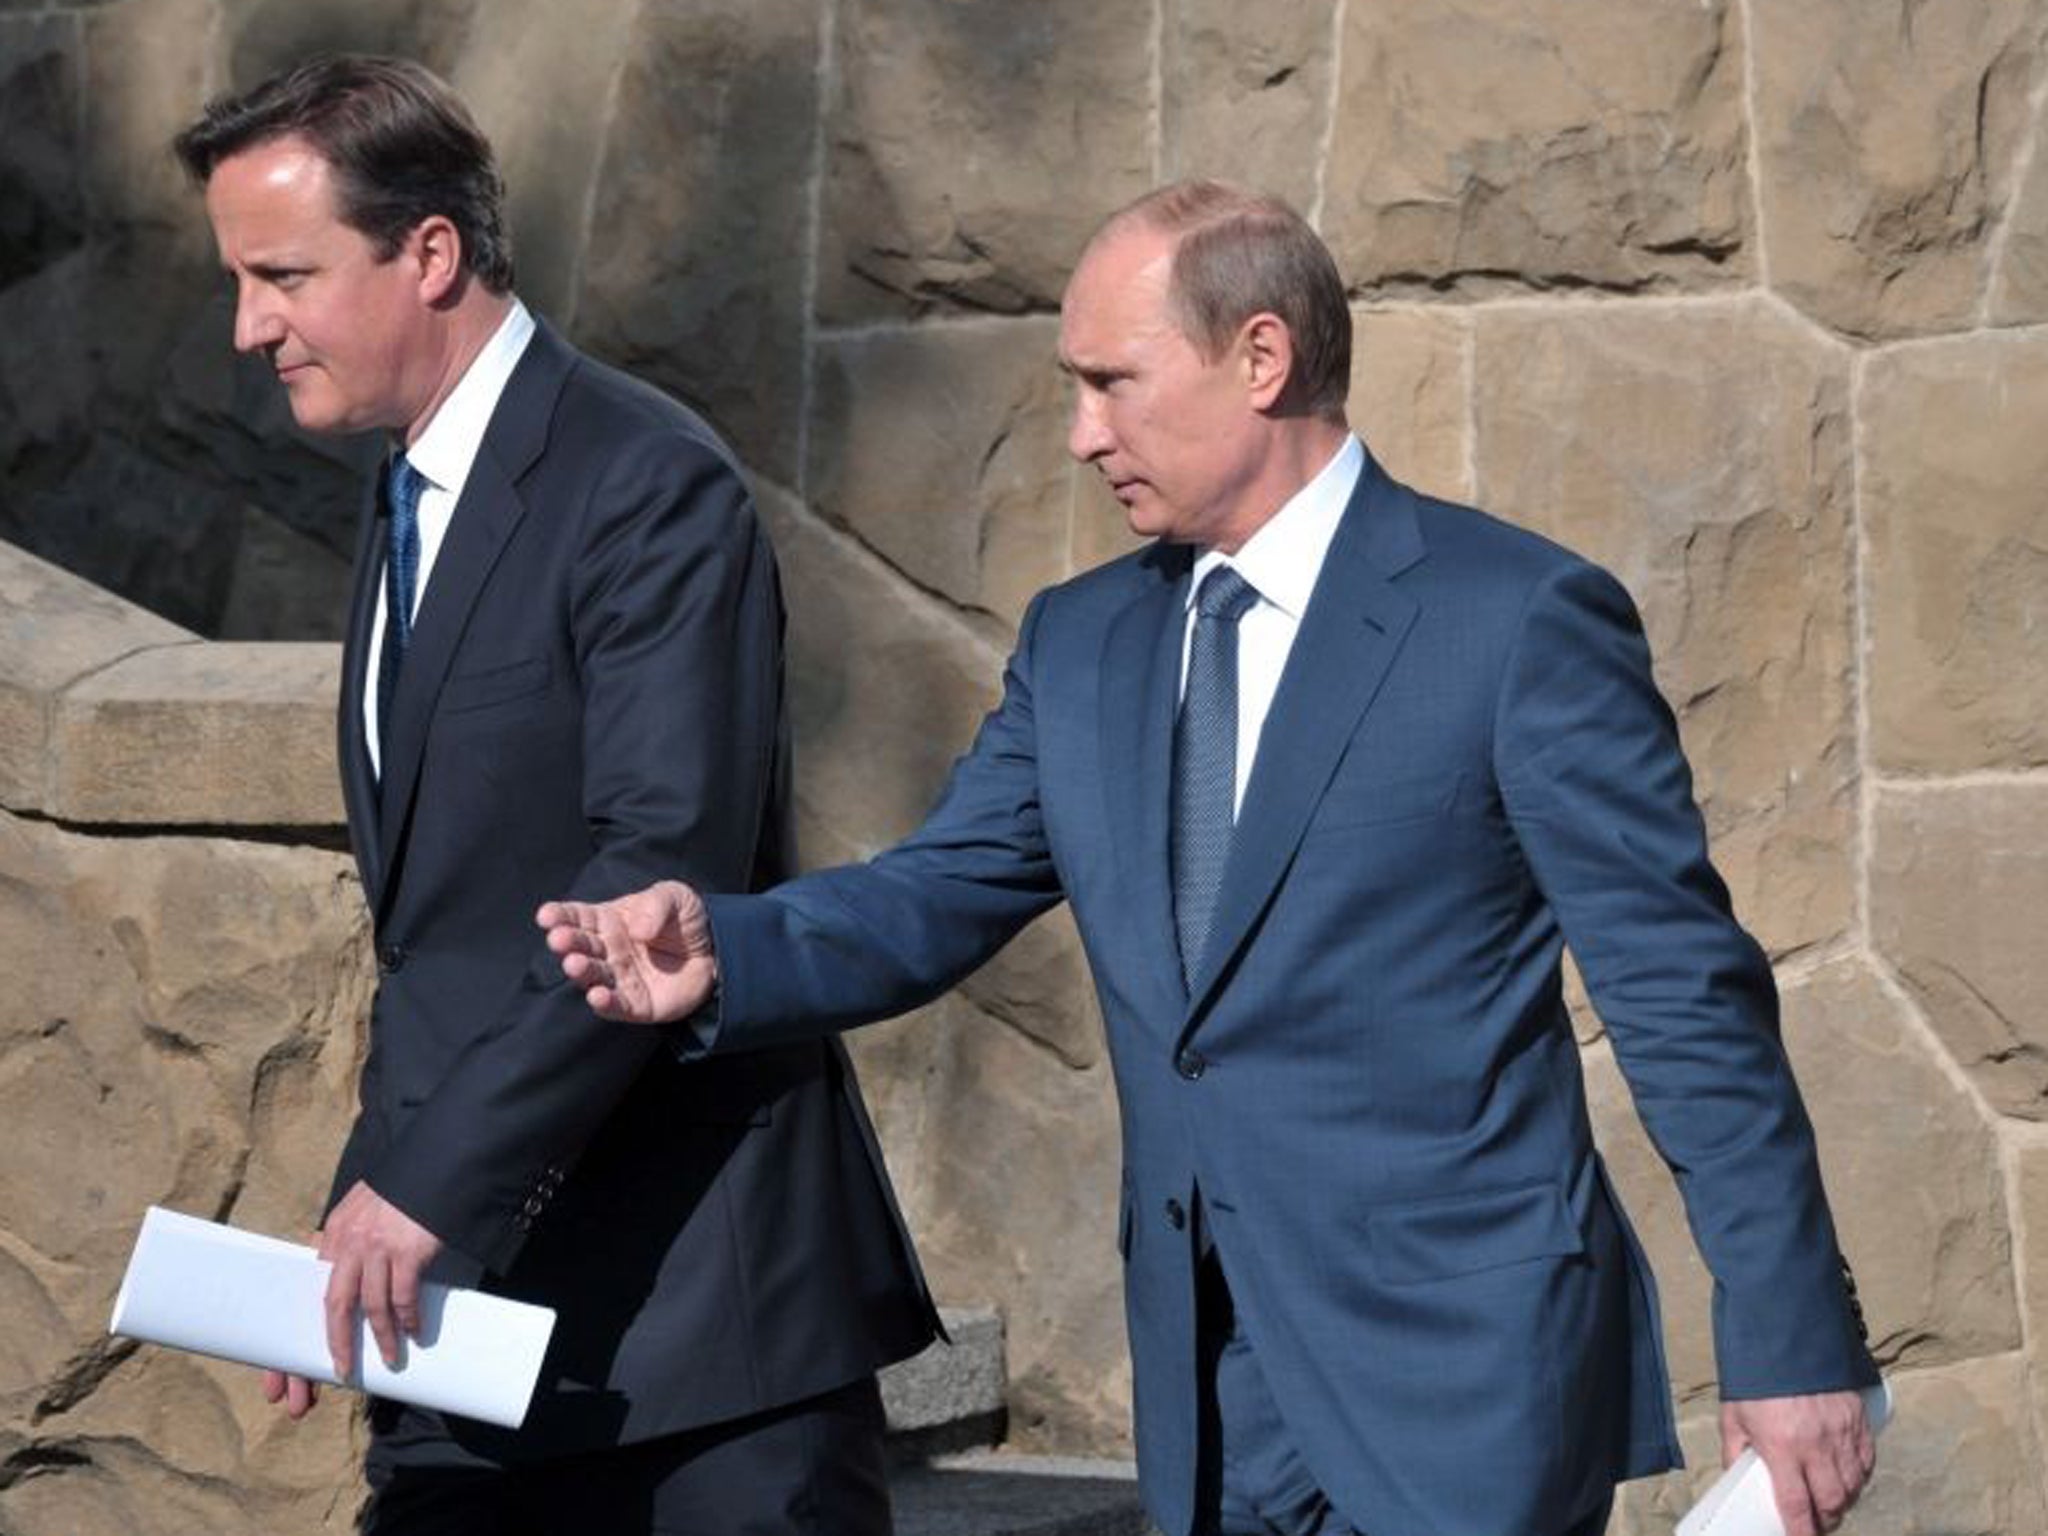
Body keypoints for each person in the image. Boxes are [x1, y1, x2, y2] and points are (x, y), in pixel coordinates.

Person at [538, 180, 1881, 1536]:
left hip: (1462, 1392)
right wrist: (726, 951)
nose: (1081, 435)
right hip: (1204, 1400)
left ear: (1260, 356)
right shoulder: (1081, 645)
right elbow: (936, 890)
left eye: (1114, 383)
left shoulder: (1516, 622)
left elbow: (1683, 1000)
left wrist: (1792, 1339)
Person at [176, 54, 935, 1535]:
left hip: (707, 1344)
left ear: (432, 254)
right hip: (473, 1335)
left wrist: (427, 1189)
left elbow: (648, 873)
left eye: (282, 275)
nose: (249, 326)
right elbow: (445, 933)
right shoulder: (404, 504)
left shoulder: (647, 485)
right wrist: (362, 1219)